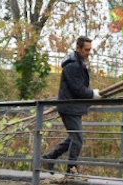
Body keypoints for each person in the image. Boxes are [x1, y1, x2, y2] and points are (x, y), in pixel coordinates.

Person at [43, 36, 101, 175]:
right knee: (78, 139)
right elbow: (78, 89)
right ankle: (71, 169)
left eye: (90, 50)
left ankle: (50, 157)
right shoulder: (73, 65)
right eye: (86, 50)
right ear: (78, 48)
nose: (88, 53)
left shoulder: (78, 62)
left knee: (73, 138)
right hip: (69, 107)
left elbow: (79, 88)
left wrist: (91, 94)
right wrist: (92, 94)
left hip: (73, 107)